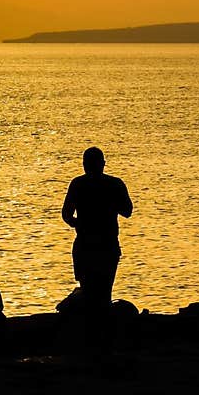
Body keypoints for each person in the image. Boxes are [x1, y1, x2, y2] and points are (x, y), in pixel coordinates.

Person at [61, 147, 133, 344]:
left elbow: (66, 215)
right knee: (103, 292)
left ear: (85, 165)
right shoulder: (114, 184)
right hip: (105, 246)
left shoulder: (78, 184)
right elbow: (127, 210)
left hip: (87, 245)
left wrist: (80, 225)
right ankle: (101, 338)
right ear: (102, 164)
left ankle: (93, 337)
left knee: (89, 292)